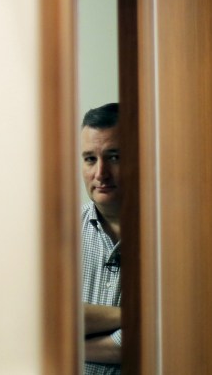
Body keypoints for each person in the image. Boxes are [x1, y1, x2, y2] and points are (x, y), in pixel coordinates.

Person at [80, 102, 122, 374]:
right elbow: (44, 320)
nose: (100, 174)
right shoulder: (61, 233)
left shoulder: (170, 237)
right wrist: (132, 316)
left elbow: (162, 333)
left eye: (114, 157)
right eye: (90, 159)